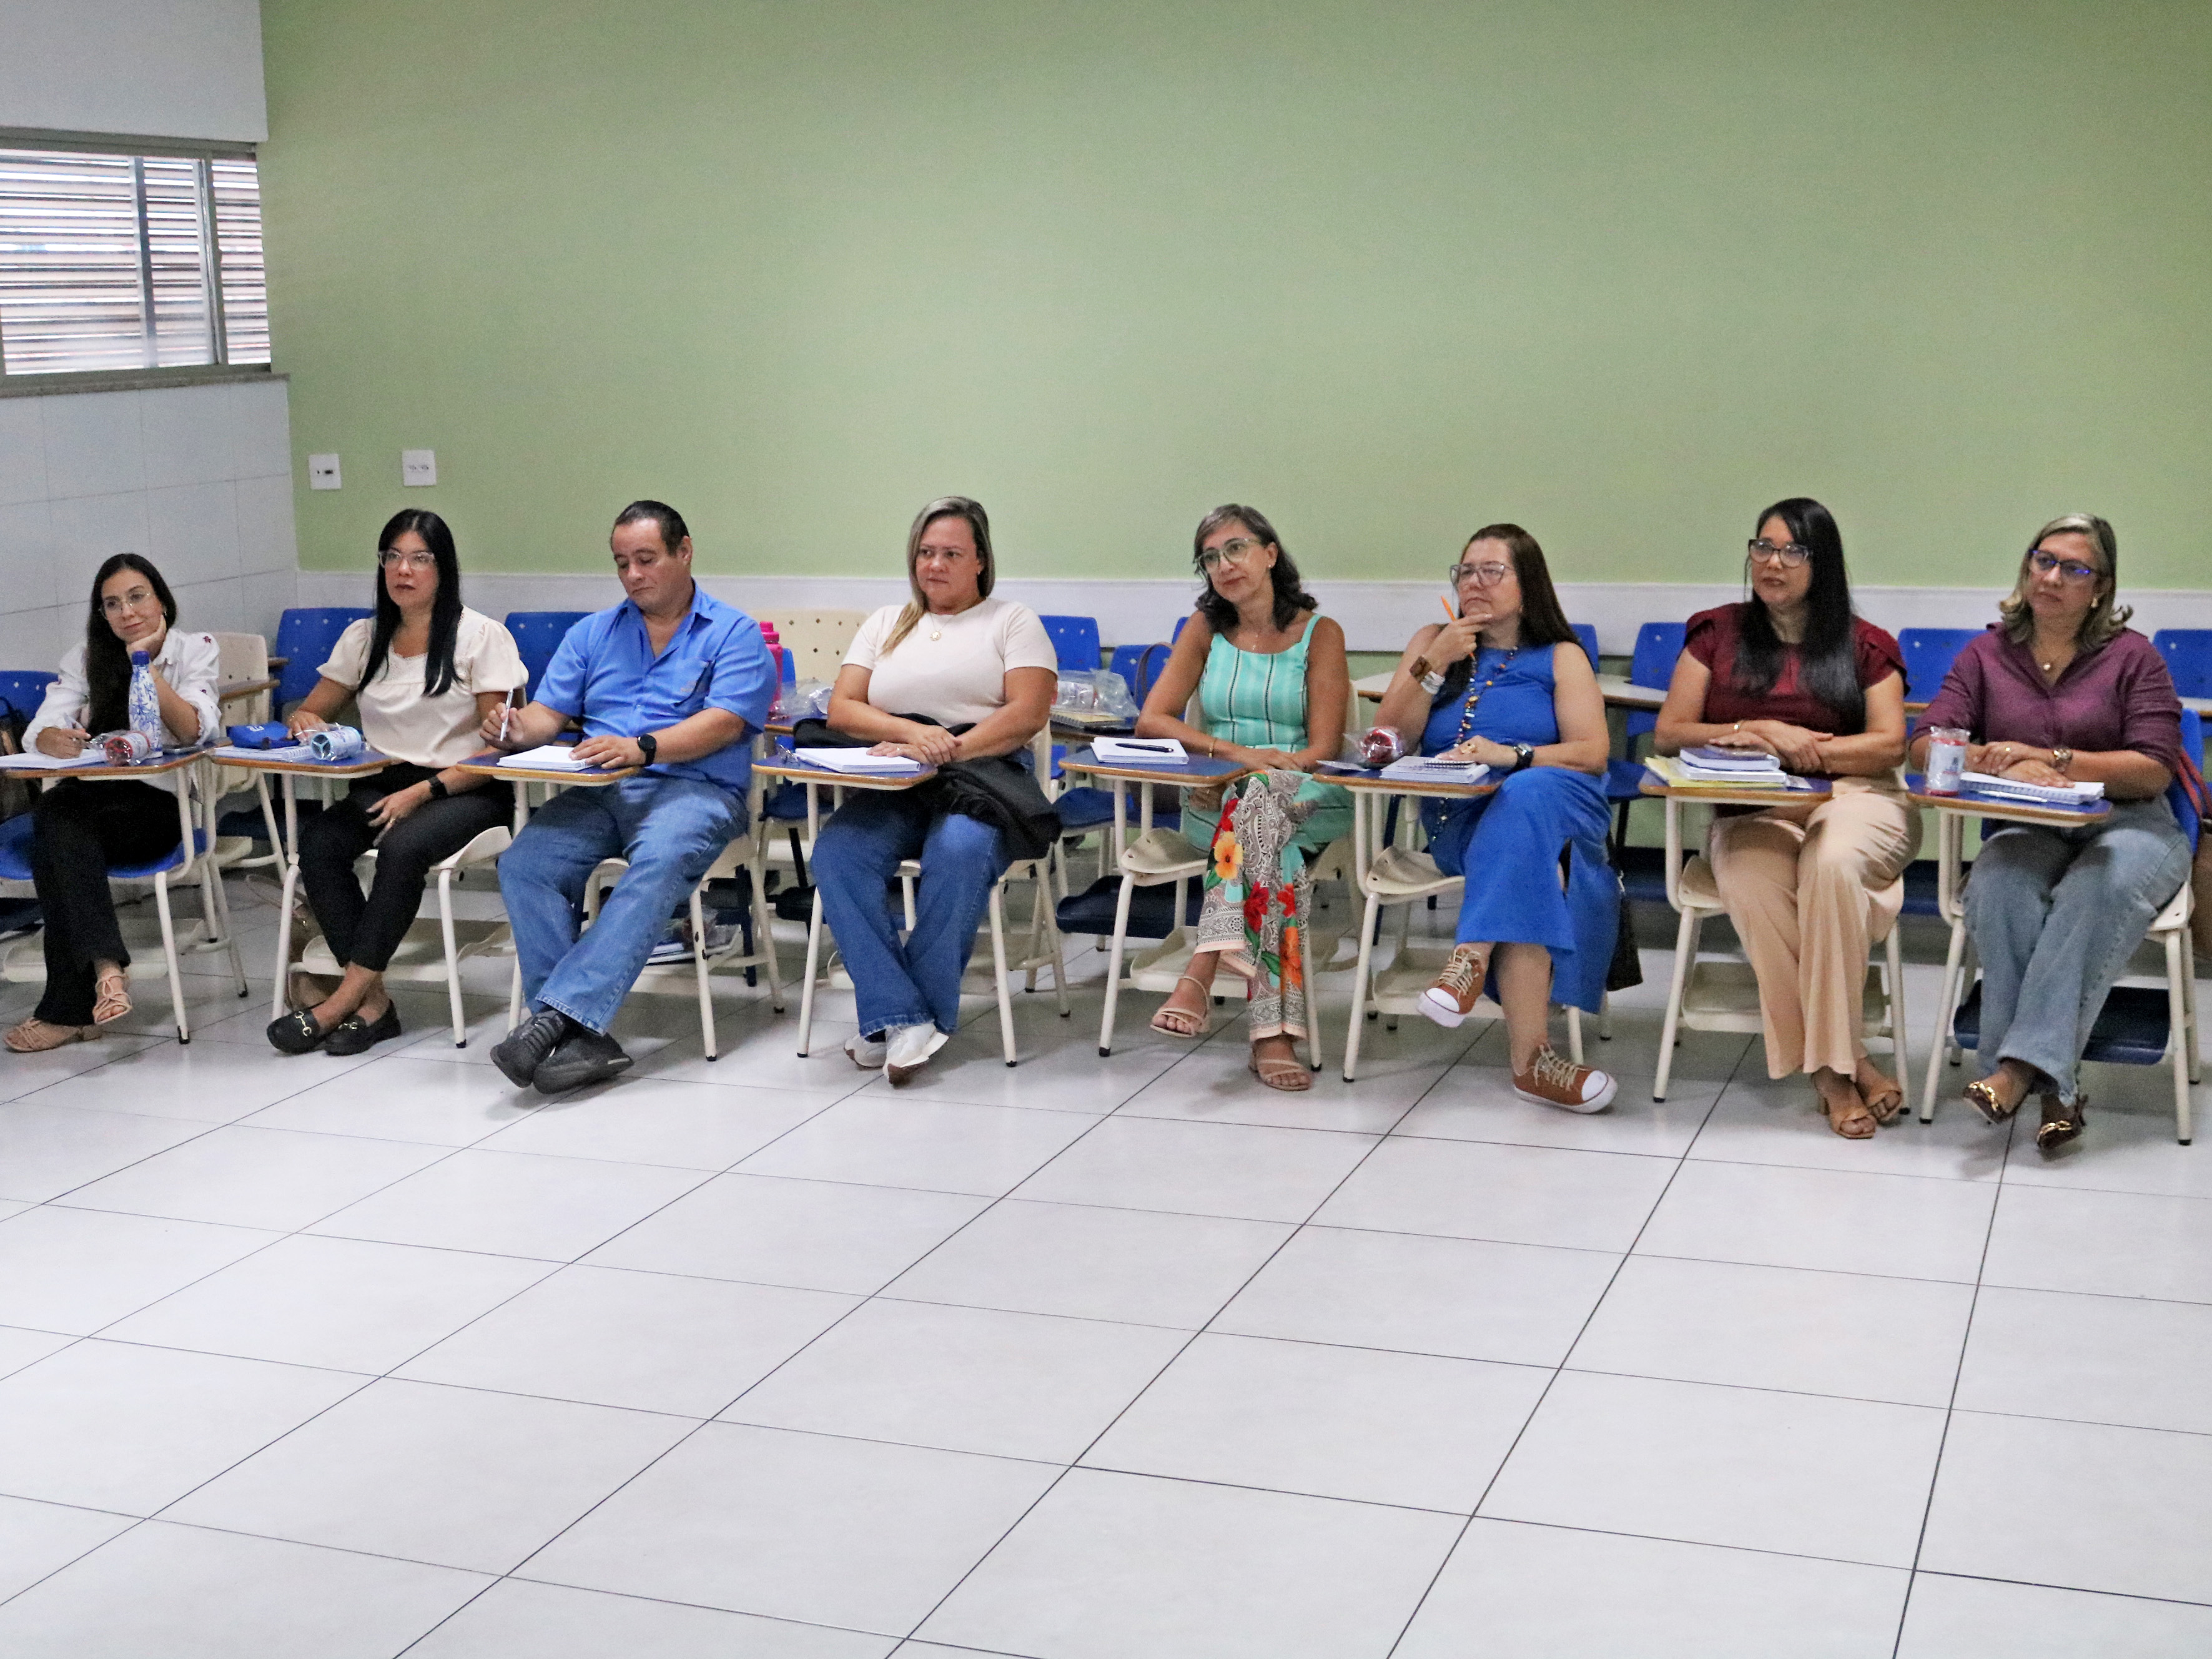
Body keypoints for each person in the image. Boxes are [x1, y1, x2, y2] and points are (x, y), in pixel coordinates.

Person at [1912, 513, 2188, 1152]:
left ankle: (2015, 1074)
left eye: (2074, 568)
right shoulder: (1985, 655)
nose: (2052, 577)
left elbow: (2152, 768)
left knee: (2094, 890)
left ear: (2101, 588)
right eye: (2043, 560)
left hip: (2131, 827)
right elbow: (1924, 744)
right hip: (2029, 824)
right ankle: (2056, 1088)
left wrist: (2056, 760)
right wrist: (1995, 761)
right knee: (1999, 889)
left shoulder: (2134, 658)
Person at [485, 500, 778, 1094]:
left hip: (695, 792)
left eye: (646, 559)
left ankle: (553, 1020)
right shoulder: (592, 633)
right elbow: (545, 717)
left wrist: (644, 747)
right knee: (525, 864)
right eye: (622, 563)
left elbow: (725, 723)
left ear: (684, 552)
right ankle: (577, 1037)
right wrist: (513, 729)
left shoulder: (734, 633)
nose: (633, 575)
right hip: (602, 790)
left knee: (659, 863)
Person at [1653, 497, 1919, 1139]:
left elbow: (1889, 745)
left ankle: (1829, 1069)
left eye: (1792, 551)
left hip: (1856, 798)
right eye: (1762, 547)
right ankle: (1844, 1062)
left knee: (1830, 863)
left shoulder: (1867, 645)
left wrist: (1808, 749)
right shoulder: (1715, 633)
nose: (1772, 563)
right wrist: (1756, 729)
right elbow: (1670, 732)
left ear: (1822, 563)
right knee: (1751, 884)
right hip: (1752, 809)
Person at [1370, 525, 1619, 1111]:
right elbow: (1386, 741)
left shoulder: (1560, 656)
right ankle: (1533, 1065)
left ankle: (1469, 959)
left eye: (1492, 571)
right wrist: (1434, 664)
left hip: (1559, 805)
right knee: (1532, 870)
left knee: (1526, 794)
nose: (1474, 583)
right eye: (1465, 571)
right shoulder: (1432, 643)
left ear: (1528, 584)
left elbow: (1592, 752)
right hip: (1460, 822)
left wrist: (1514, 756)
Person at [811, 497, 1059, 1084]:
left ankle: (899, 1019)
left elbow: (1029, 712)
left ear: (980, 561)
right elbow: (843, 707)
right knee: (837, 854)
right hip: (899, 779)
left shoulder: (1012, 621)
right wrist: (912, 735)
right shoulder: (886, 622)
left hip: (983, 778)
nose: (935, 565)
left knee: (959, 851)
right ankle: (904, 1014)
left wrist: (950, 749)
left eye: (951, 553)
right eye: (925, 552)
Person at [265, 510, 526, 1056]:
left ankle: (340, 1003)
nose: (403, 570)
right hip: (386, 782)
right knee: (320, 844)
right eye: (393, 557)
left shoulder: (481, 637)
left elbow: (497, 748)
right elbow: (311, 711)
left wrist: (424, 792)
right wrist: (307, 721)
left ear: (443, 568)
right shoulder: (364, 638)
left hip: (469, 786)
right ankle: (376, 1004)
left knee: (402, 849)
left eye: (419, 559)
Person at [1135, 505, 1351, 1092]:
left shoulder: (1320, 633)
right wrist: (1236, 756)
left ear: (1270, 554)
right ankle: (1272, 1038)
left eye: (1236, 549)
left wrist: (1267, 771)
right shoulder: (1204, 629)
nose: (1224, 565)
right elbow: (1153, 719)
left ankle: (1202, 967)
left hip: (1307, 790)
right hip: (1219, 797)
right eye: (1210, 557)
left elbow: (1325, 746)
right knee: (1268, 847)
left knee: (1259, 805)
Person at [6, 555, 220, 1053]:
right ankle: (106, 972)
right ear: (101, 614)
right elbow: (41, 728)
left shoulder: (195, 649)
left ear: (161, 600)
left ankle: (72, 1006)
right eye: (112, 604)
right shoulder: (86, 658)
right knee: (57, 821)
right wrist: (51, 738)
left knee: (54, 836)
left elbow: (194, 727)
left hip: (160, 806)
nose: (127, 612)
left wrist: (144, 662)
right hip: (92, 801)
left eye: (137, 597)